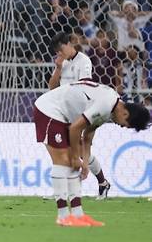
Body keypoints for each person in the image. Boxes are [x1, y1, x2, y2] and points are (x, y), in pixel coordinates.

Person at [33, 80, 150, 226]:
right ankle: (63, 216)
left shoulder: (110, 108)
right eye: (126, 125)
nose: (121, 126)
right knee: (63, 161)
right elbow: (75, 128)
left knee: (72, 164)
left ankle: (78, 215)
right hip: (49, 109)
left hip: (64, 115)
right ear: (125, 113)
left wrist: (85, 163)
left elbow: (87, 137)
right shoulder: (105, 105)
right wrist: (76, 157)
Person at [47, 32, 111, 199]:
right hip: (63, 111)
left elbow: (85, 86)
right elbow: (52, 88)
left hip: (80, 111)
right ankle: (101, 183)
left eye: (61, 49)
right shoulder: (61, 63)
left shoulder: (84, 61)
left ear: (70, 44)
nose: (59, 53)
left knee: (78, 151)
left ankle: (89, 185)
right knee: (66, 150)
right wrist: (58, 68)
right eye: (57, 51)